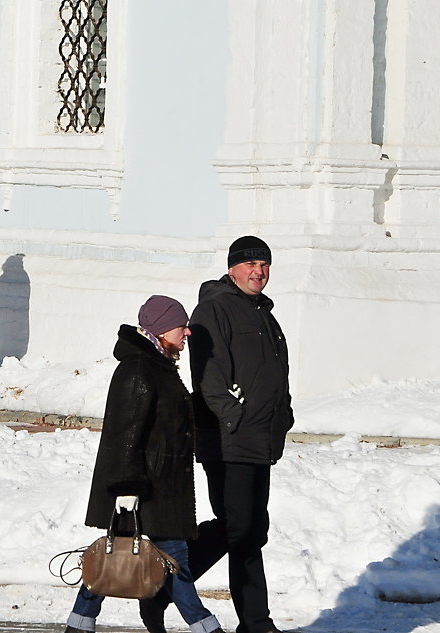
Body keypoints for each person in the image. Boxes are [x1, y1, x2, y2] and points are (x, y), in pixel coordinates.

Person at [140, 236, 293, 633]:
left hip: (260, 440)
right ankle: (162, 587)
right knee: (238, 527)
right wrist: (234, 416)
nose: (258, 271)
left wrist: (283, 416)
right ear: (232, 268)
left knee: (250, 530)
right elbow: (208, 376)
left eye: (264, 264)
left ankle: (255, 622)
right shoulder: (214, 309)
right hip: (228, 440)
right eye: (250, 264)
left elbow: (276, 374)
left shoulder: (262, 314)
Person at [64, 296, 222, 633]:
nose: (188, 332)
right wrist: (127, 487)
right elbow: (125, 432)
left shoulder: (157, 365)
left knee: (120, 559)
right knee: (136, 559)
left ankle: (78, 626)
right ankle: (206, 627)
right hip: (143, 488)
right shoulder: (138, 370)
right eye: (182, 325)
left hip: (159, 487)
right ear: (163, 328)